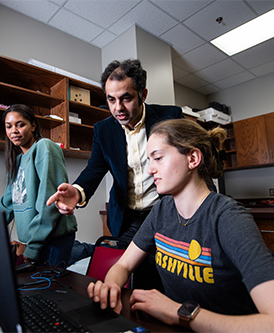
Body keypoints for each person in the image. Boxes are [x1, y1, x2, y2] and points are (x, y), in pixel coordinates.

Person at [87, 119, 274, 332]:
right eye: (149, 161)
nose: (150, 170)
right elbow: (124, 265)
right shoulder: (161, 211)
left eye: (158, 158)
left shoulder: (227, 218)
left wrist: (182, 313)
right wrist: (111, 286)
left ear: (192, 159)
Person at [47, 59, 183, 288]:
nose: (117, 108)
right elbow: (95, 168)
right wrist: (77, 192)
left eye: (126, 98)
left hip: (166, 211)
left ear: (143, 94)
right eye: (111, 99)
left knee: (169, 277)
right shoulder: (104, 129)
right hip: (128, 217)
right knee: (129, 278)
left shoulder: (170, 117)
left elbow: (191, 164)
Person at [0, 104, 77, 266]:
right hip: (34, 240)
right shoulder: (17, 161)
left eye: (20, 125)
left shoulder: (44, 147)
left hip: (53, 239)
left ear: (33, 125)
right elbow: (6, 204)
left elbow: (50, 201)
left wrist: (33, 247)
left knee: (49, 289)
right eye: (9, 126)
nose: (14, 131)